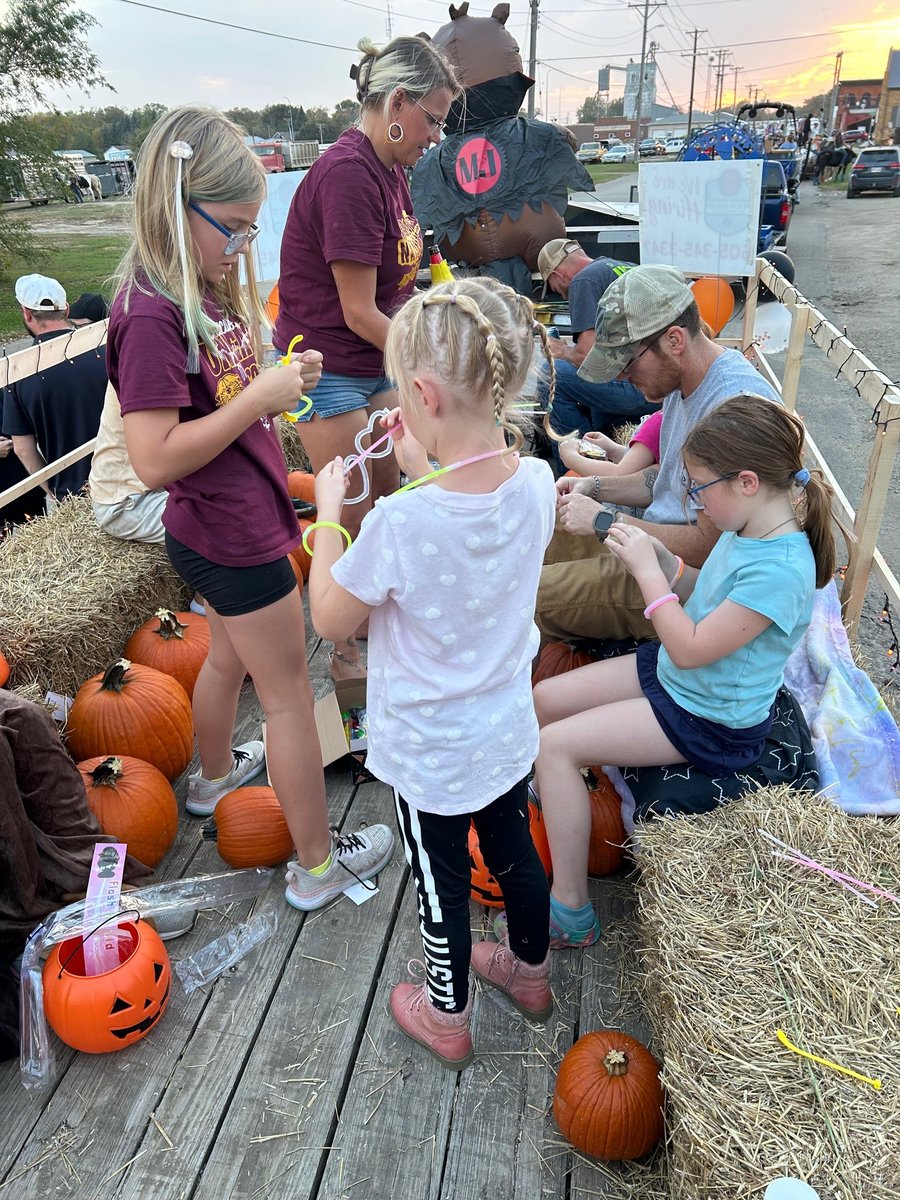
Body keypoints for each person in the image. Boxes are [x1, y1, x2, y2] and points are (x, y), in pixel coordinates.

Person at [107, 104, 394, 912]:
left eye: (250, 232)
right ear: (176, 207)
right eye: (232, 228)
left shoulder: (199, 290)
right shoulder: (152, 314)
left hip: (226, 524)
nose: (242, 247)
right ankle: (315, 866)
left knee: (228, 659)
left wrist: (275, 385)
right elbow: (155, 457)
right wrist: (257, 400)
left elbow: (222, 396)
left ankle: (211, 781)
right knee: (289, 700)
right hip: (230, 534)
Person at [308, 277, 558, 1070]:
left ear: (421, 393)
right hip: (504, 731)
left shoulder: (396, 522)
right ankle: (532, 972)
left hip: (429, 751)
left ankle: (445, 1015)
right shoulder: (538, 484)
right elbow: (467, 510)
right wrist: (423, 457)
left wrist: (326, 517)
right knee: (515, 853)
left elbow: (330, 619)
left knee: (441, 882)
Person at [533, 395, 837, 944]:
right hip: (677, 674)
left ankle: (570, 911)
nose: (695, 504)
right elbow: (702, 593)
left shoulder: (782, 571)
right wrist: (662, 559)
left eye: (699, 488)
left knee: (554, 746)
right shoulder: (747, 531)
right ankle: (567, 799)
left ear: (746, 482)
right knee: (544, 703)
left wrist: (649, 577)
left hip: (708, 716)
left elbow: (694, 645)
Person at [274, 36, 461, 680]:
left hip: (368, 360)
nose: (436, 136)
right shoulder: (351, 174)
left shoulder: (391, 171)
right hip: (324, 367)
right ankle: (344, 650)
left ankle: (384, 622)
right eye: (434, 119)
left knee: (400, 495)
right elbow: (357, 309)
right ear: (398, 103)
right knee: (352, 508)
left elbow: (397, 286)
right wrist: (429, 363)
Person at [537, 264, 782, 644]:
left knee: (529, 599)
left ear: (674, 340)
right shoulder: (683, 385)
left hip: (682, 582)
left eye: (627, 362)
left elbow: (708, 546)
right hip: (649, 547)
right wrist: (595, 486)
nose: (620, 376)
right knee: (530, 537)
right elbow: (662, 482)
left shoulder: (732, 409)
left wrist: (604, 521)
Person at [535, 239, 655, 467]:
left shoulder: (584, 281)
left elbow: (588, 357)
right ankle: (602, 451)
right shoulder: (623, 266)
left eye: (553, 287)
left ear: (559, 275)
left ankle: (576, 468)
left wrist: (561, 351)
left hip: (639, 389)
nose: (560, 295)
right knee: (585, 386)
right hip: (662, 387)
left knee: (552, 375)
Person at [1, 274, 107, 509]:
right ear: (67, 309)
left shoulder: (17, 373)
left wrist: (53, 489)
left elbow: (23, 448)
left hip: (72, 495)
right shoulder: (103, 350)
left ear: (27, 314)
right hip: (120, 480)